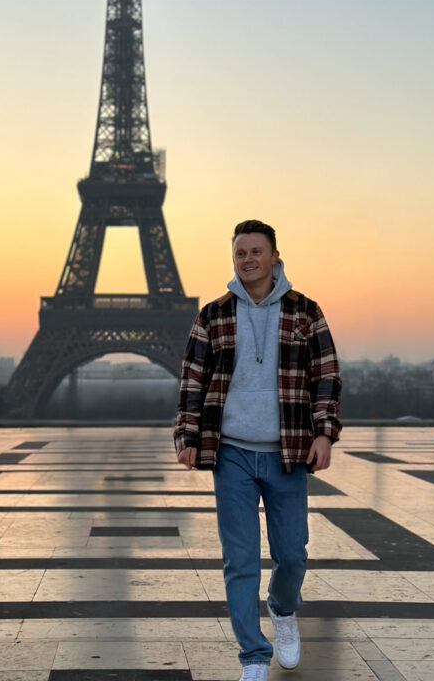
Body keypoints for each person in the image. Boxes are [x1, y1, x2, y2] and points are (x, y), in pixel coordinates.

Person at [174, 219, 342, 681]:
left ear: (275, 257)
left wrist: (324, 434)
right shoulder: (213, 314)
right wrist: (188, 436)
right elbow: (192, 379)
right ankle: (253, 655)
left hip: (287, 451)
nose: (247, 259)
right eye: (240, 252)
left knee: (293, 555)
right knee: (240, 559)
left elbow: (326, 376)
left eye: (255, 251)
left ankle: (283, 609)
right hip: (231, 453)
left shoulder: (305, 311)